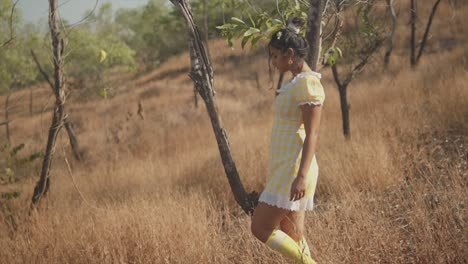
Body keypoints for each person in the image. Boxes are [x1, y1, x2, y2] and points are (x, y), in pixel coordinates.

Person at [251, 18, 325, 264]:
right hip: (284, 165)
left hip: (294, 168)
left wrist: (301, 176)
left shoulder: (307, 83)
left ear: (290, 54)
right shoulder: (296, 81)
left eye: (275, 56)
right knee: (292, 232)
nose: (273, 62)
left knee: (260, 229)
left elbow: (313, 133)